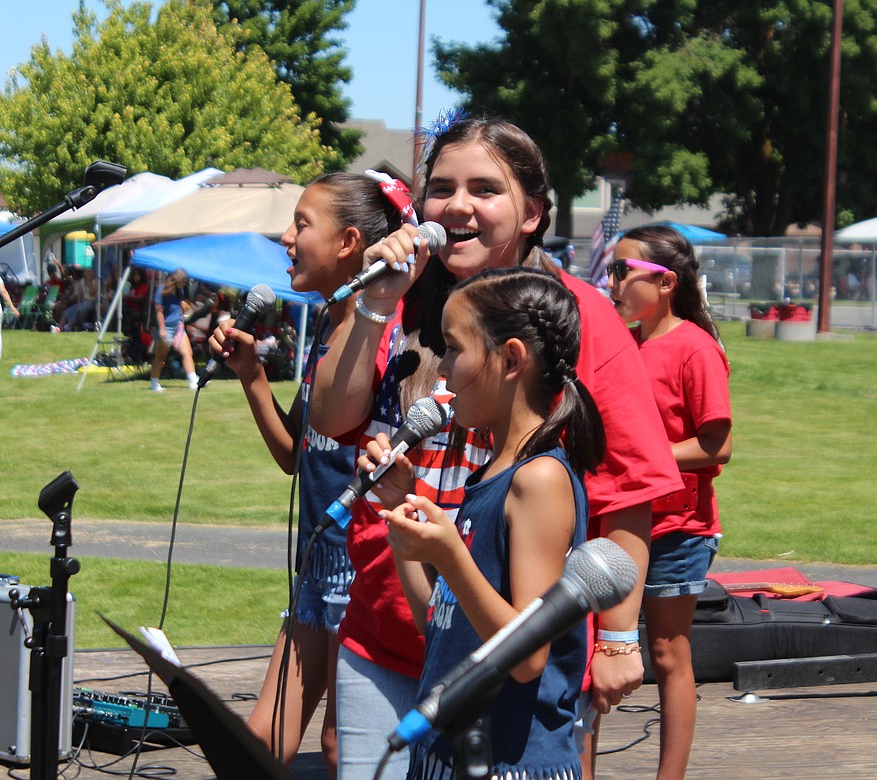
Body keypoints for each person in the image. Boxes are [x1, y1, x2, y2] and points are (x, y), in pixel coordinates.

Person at [308, 117, 681, 779]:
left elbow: (628, 488)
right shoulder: (400, 298)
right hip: (390, 629)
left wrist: (621, 637)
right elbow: (334, 419)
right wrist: (374, 304)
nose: (457, 207)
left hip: (509, 651)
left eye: (485, 189)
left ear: (532, 212)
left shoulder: (576, 316)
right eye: (442, 188)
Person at [209, 171, 406, 773]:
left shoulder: (386, 336)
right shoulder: (328, 327)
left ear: (349, 243)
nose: (286, 237)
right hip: (317, 563)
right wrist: (252, 377)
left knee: (341, 744)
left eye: (301, 224)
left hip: (363, 562)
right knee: (262, 738)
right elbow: (299, 454)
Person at [371, 266, 602, 778]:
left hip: (510, 763)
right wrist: (401, 516)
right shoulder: (491, 474)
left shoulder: (539, 479)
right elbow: (440, 624)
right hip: (447, 753)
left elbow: (527, 657)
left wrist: (451, 554)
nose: (444, 370)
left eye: (454, 349)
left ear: (512, 358)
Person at [604, 225, 732, 780]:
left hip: (678, 528)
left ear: (665, 282)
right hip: (614, 522)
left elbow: (717, 444)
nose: (611, 282)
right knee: (599, 651)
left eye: (622, 271)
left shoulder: (694, 348)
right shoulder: (622, 342)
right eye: (610, 270)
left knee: (666, 655)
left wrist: (643, 456)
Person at [149, 268, 199, 392]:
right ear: (177, 280)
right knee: (160, 357)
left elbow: (178, 306)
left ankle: (193, 381)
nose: (184, 284)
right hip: (166, 328)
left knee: (187, 352)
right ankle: (154, 383)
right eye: (183, 281)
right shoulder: (161, 290)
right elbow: (159, 311)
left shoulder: (179, 290)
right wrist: (162, 330)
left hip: (179, 327)